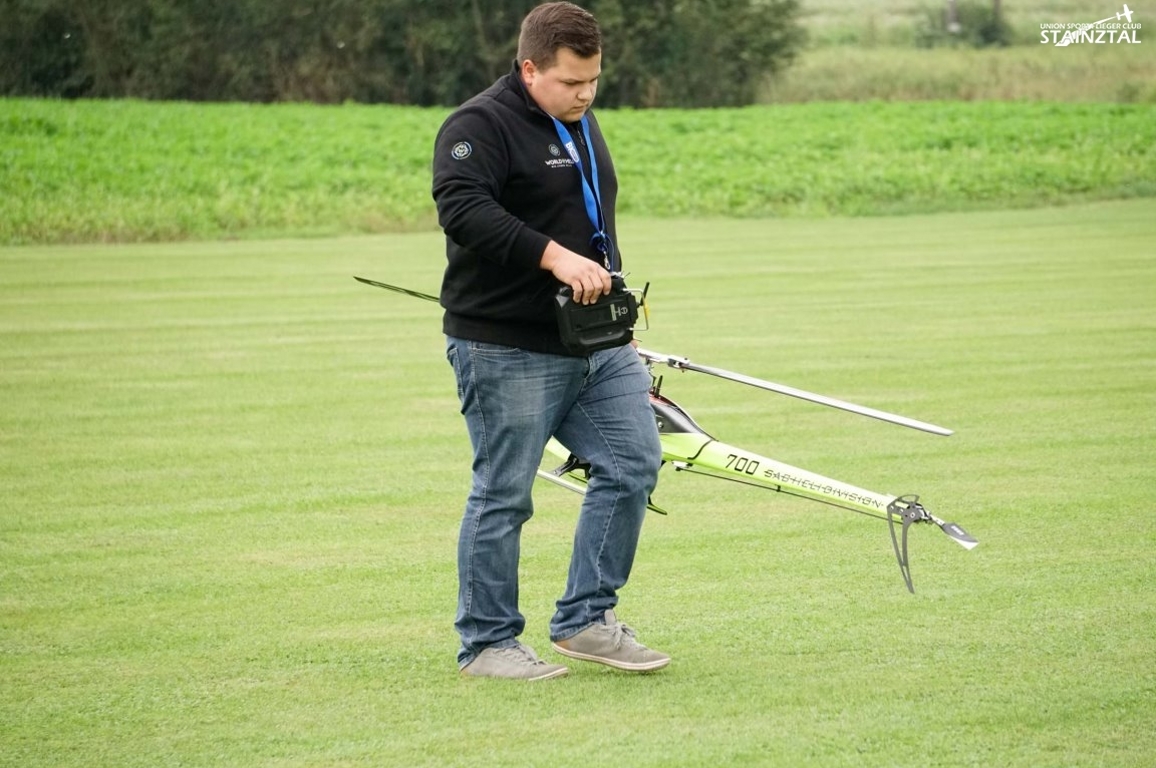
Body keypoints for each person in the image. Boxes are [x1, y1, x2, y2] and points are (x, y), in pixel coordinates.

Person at [431, 1, 669, 680]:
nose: (585, 94)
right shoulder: (478, 124)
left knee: (632, 464)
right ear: (529, 67)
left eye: (593, 81)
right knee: (505, 492)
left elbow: (591, 212)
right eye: (570, 82)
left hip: (597, 344)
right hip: (504, 344)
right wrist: (554, 257)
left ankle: (586, 620)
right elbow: (462, 207)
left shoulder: (582, 123)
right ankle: (487, 643)